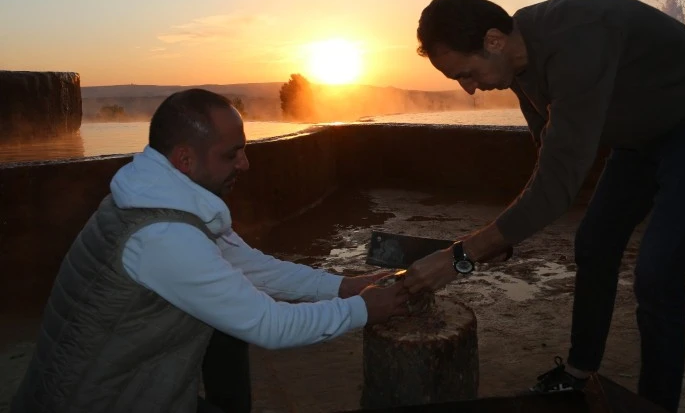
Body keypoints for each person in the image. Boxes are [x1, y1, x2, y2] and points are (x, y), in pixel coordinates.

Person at [403, 0, 685, 413]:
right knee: (594, 244)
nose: (469, 89)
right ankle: (579, 372)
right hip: (639, 136)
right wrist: (503, 237)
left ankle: (657, 405)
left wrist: (461, 256)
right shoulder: (516, 62)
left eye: (467, 74)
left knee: (658, 276)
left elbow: (558, 185)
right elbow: (547, 154)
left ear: (494, 40)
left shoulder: (577, 41)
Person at [12, 88, 409, 413]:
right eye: (231, 154)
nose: (245, 164)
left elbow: (248, 266)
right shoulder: (162, 235)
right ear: (185, 159)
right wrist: (364, 309)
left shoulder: (160, 194)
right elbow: (268, 324)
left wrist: (342, 287)